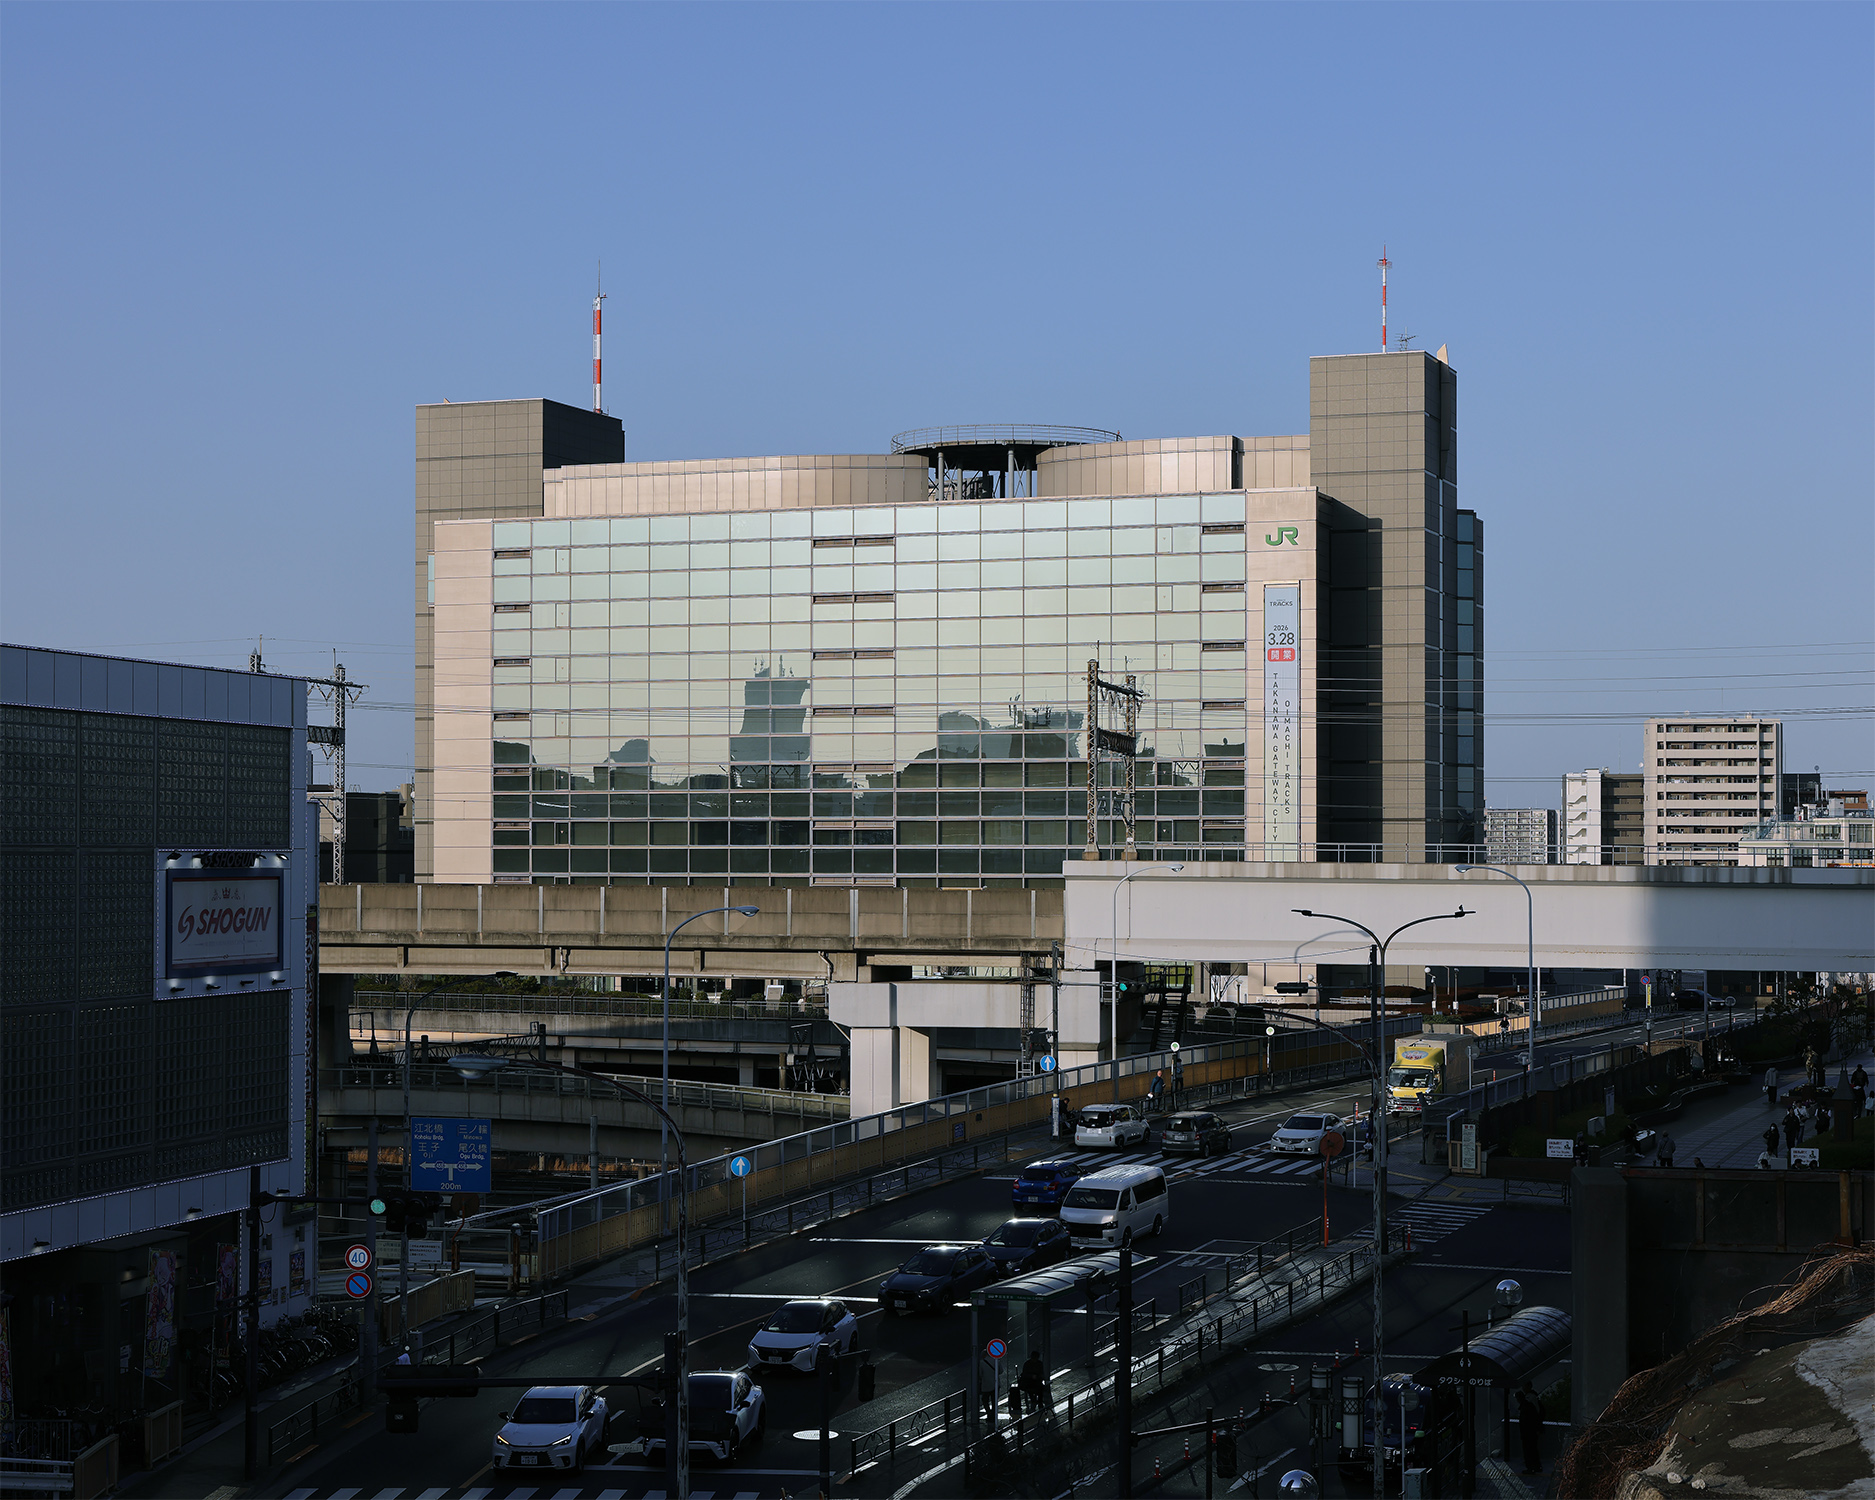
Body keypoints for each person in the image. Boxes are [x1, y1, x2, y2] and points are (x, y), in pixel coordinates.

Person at [1517, 1382, 1545, 1475]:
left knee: (1529, 1449)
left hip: (1529, 1430)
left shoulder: (1529, 1400)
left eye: (1524, 1386)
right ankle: (1536, 1466)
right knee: (1533, 1449)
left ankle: (1531, 1467)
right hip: (1532, 1429)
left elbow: (1530, 1415)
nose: (1523, 1388)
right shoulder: (1534, 1398)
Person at [1019, 1349, 1050, 1420]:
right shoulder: (1031, 1364)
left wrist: (1039, 1377)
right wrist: (1031, 1376)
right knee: (1033, 1389)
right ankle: (1036, 1402)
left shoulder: (1035, 1364)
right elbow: (1024, 1374)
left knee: (1039, 1389)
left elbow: (1041, 1373)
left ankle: (1038, 1402)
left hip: (1036, 1382)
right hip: (1029, 1382)